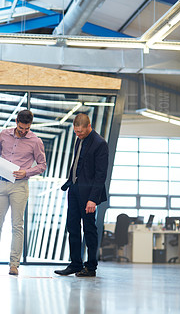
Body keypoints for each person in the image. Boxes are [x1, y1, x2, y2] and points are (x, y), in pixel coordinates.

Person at [0, 109, 46, 275]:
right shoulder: (4, 134)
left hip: (19, 186)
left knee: (17, 226)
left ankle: (14, 265)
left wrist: (26, 172)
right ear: (16, 121)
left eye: (27, 128)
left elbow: (42, 165)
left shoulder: (35, 141)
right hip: (1, 184)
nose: (24, 131)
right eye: (21, 128)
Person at [55, 113, 109, 277]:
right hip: (74, 189)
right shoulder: (79, 139)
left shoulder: (100, 144)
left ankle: (91, 267)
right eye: (76, 132)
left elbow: (100, 175)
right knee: (72, 227)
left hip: (89, 194)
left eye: (81, 132)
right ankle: (75, 264)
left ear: (89, 126)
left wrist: (93, 199)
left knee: (89, 229)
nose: (78, 135)